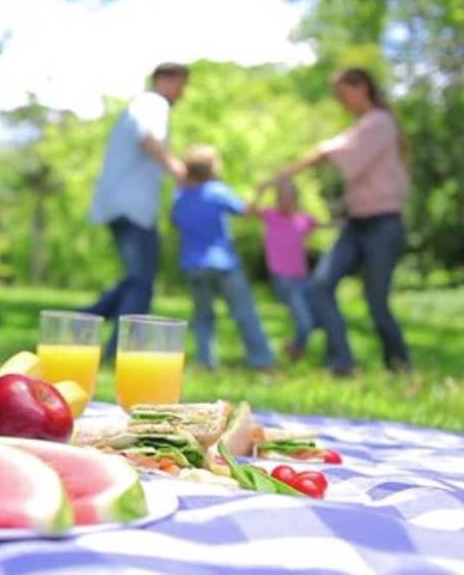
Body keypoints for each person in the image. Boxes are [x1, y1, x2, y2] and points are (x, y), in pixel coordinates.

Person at [263, 67, 411, 375]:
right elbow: (329, 151)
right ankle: (342, 362)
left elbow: (331, 152)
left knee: (376, 301)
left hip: (383, 224)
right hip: (356, 225)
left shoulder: (380, 123)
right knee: (320, 285)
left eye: (343, 94)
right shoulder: (362, 126)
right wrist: (286, 174)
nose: (341, 102)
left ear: (363, 88)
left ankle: (400, 366)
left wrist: (288, 172)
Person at [85, 62, 189, 356]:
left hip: (119, 204)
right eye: (181, 85)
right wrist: (178, 170)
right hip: (133, 207)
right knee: (142, 283)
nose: (182, 93)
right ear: (166, 80)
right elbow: (149, 139)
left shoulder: (139, 105)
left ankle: (77, 324)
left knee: (134, 279)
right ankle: (123, 351)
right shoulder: (153, 104)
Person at [171, 145, 275, 370]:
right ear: (212, 168)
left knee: (203, 316)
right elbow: (245, 212)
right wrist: (258, 194)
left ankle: (206, 361)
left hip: (193, 265)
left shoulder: (180, 197)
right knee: (244, 312)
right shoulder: (218, 191)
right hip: (223, 263)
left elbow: (176, 222)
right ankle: (262, 361)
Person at [250, 178, 318, 361]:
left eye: (290, 198)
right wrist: (261, 190)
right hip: (283, 278)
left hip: (303, 278)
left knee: (314, 317)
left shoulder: (304, 220)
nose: (286, 202)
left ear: (296, 200)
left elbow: (326, 226)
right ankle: (296, 350)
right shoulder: (271, 216)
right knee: (305, 322)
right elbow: (248, 210)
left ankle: (294, 347)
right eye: (283, 198)